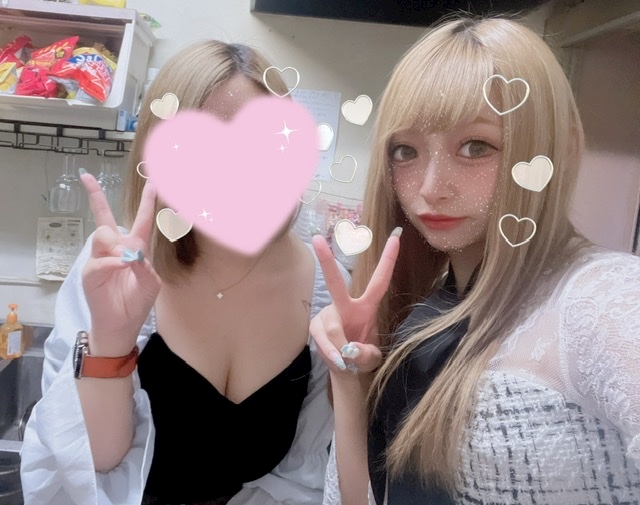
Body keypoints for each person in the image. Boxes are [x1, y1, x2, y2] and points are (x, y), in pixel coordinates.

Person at [310, 15, 640, 505]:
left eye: (475, 146)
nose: (430, 187)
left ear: (557, 149)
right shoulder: (427, 309)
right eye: (406, 151)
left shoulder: (599, 299)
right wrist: (349, 375)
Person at [20, 40, 348, 505]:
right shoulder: (115, 274)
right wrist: (112, 340)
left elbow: (303, 479)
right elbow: (94, 466)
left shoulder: (323, 289)